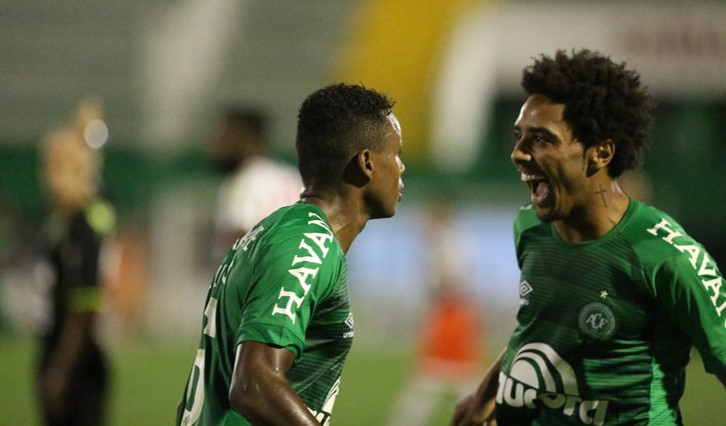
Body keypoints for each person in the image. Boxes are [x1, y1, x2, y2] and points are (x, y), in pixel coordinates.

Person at [450, 49, 726, 426]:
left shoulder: (667, 257)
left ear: (600, 153)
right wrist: (484, 396)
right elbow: (539, 325)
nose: (518, 154)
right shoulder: (530, 228)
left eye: (541, 140)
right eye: (519, 137)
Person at [176, 83, 405, 425]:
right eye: (395, 154)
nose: (401, 168)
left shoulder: (276, 231)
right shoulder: (307, 243)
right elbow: (254, 384)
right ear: (367, 163)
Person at [37, 97, 116, 425]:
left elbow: (85, 304)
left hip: (74, 359)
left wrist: (59, 370)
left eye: (58, 166)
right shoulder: (63, 221)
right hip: (62, 347)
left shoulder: (82, 224)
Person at [388, 205, 486, 426]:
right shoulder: (454, 240)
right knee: (457, 378)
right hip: (454, 311)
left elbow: (450, 280)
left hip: (451, 312)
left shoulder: (447, 243)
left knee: (434, 377)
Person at [209, 105, 302, 259]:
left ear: (246, 138)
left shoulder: (245, 180)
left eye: (224, 136)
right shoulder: (291, 177)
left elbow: (241, 239)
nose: (216, 145)